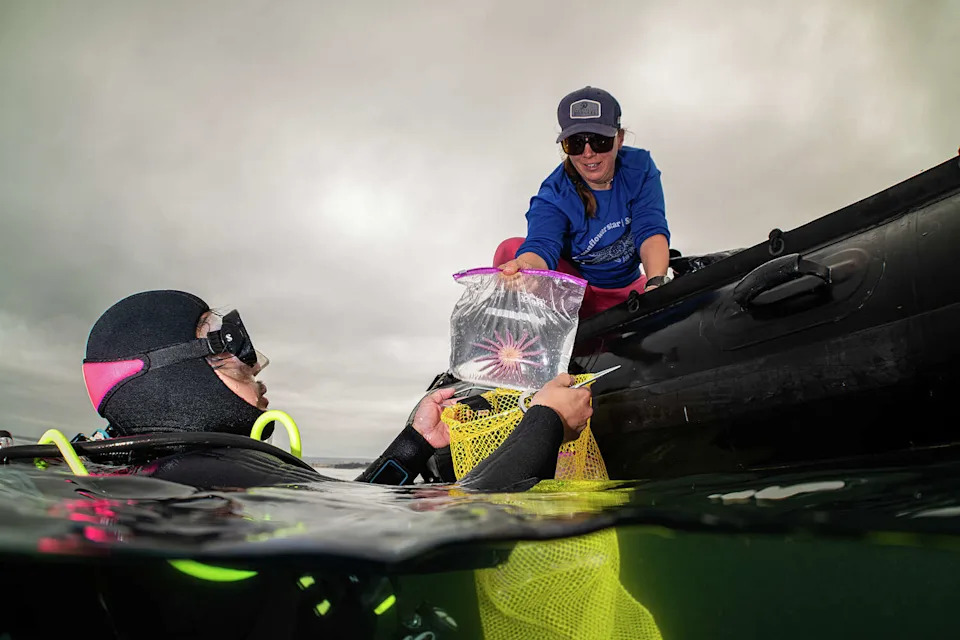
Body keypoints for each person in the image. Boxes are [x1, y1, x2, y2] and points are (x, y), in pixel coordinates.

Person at [80, 290, 594, 491]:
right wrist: (546, 419)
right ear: (172, 375)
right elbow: (473, 515)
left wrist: (414, 442)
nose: (256, 365)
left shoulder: (163, 471)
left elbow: (349, 507)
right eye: (230, 345)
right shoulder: (201, 477)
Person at [495, 86, 672, 317]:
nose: (588, 153)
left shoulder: (640, 166)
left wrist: (656, 283)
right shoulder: (554, 193)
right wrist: (526, 267)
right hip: (579, 295)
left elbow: (650, 228)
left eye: (599, 141)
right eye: (576, 144)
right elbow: (542, 245)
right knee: (510, 248)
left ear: (619, 139)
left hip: (629, 289)